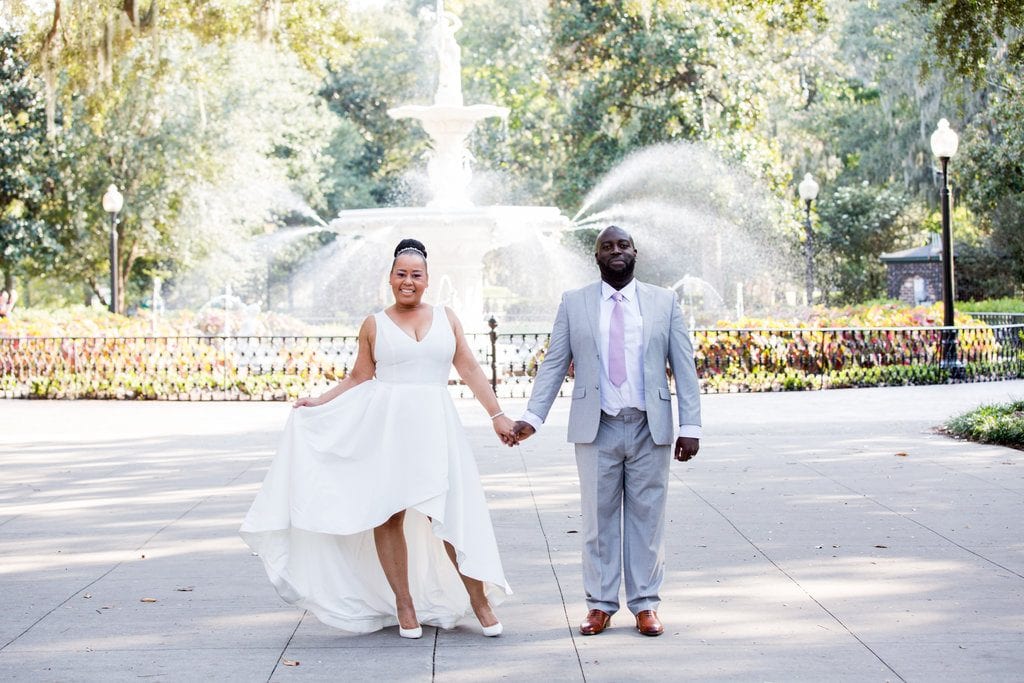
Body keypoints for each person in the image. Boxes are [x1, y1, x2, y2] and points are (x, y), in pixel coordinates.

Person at [241, 238, 514, 639]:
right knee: (390, 513)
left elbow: (470, 367)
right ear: (390, 278)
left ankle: (479, 600)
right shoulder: (374, 323)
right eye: (401, 274)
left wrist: (497, 414)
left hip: (437, 425)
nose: (408, 281)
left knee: (450, 510)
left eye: (415, 275)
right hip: (389, 430)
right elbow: (359, 376)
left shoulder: (447, 317)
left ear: (427, 280)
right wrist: (319, 402)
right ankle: (404, 604)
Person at [509, 225, 701, 637]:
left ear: (635, 253)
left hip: (651, 427)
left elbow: (685, 367)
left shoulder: (663, 302)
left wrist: (691, 426)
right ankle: (599, 605)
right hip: (597, 428)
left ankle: (646, 605)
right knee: (597, 521)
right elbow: (554, 363)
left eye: (623, 245)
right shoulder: (574, 303)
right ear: (596, 257)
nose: (616, 251)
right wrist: (533, 417)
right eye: (607, 246)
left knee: (648, 520)